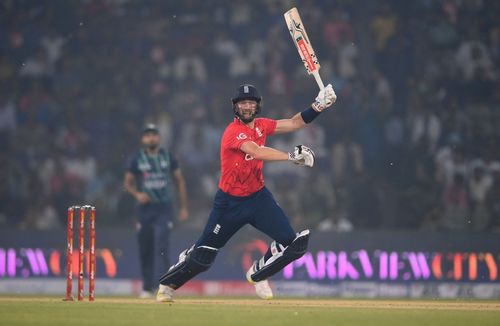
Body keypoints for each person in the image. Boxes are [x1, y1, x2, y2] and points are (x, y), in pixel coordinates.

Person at [156, 83, 336, 302]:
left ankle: (259, 274)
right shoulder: (233, 132)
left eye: (251, 102)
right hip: (229, 204)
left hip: (258, 199)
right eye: (243, 103)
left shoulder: (262, 125)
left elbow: (294, 123)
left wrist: (319, 106)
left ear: (257, 105)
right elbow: (256, 151)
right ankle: (167, 285)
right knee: (202, 259)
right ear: (236, 107)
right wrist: (290, 156)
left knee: (293, 244)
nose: (248, 106)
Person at [124, 123, 189, 298]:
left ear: (158, 138)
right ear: (143, 139)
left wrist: (183, 207)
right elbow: (127, 182)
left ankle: (163, 285)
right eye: (147, 135)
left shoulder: (168, 157)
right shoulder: (137, 158)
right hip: (144, 209)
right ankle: (146, 287)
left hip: (164, 208)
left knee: (162, 247)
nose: (151, 138)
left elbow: (180, 181)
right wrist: (137, 194)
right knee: (145, 247)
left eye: (154, 134)